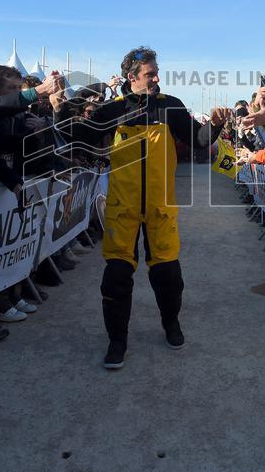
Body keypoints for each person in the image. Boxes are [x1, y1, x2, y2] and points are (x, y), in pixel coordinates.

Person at [79, 46, 227, 369]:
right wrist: (68, 106)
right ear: (132, 78)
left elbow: (198, 139)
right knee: (116, 278)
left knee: (168, 275)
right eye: (150, 74)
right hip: (123, 208)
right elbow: (82, 136)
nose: (157, 78)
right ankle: (117, 341)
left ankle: (170, 323)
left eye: (156, 72)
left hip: (160, 207)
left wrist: (214, 127)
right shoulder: (111, 110)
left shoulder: (170, 106)